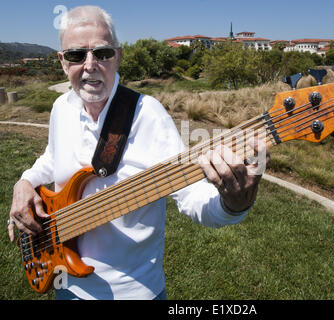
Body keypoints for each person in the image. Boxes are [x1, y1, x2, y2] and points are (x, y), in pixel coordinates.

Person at [7, 5, 269, 300]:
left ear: (118, 57)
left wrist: (234, 203)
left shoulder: (149, 116)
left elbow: (193, 199)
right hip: (66, 285)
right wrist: (25, 182)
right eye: (76, 55)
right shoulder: (61, 108)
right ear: (63, 63)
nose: (90, 64)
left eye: (102, 53)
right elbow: (52, 158)